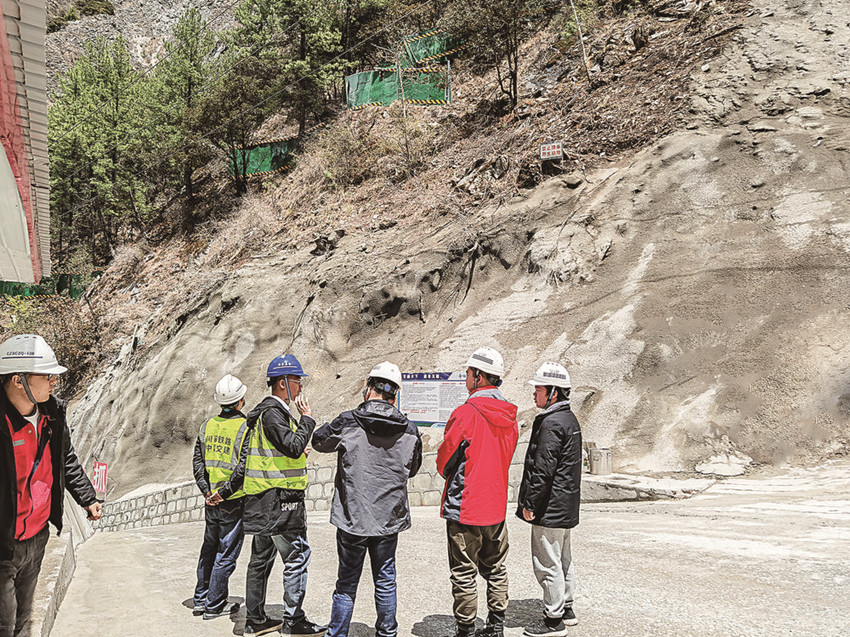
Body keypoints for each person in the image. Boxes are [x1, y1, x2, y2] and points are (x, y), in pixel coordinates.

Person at [0, 334, 102, 637]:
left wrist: (87, 497)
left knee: (23, 617)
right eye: (46, 375)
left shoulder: (52, 413)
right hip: (4, 544)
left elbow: (65, 458)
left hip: (38, 535)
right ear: (18, 380)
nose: (54, 381)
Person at [313, 361, 423, 637]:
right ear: (395, 395)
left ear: (368, 387)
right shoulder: (410, 430)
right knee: (385, 579)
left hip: (353, 517)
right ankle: (387, 633)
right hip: (388, 519)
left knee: (347, 583)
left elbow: (318, 441)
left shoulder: (348, 421)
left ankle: (337, 633)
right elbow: (413, 469)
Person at [241, 354, 326, 637]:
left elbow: (281, 451)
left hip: (264, 499)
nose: (300, 385)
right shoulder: (273, 414)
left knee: (260, 560)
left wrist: (298, 450)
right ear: (282, 383)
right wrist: (307, 420)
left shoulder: (266, 414)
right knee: (297, 557)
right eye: (296, 380)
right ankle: (293, 621)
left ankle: (255, 620)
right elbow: (292, 446)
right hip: (280, 502)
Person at [436, 346, 519, 637]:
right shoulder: (510, 416)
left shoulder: (465, 413)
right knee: (496, 567)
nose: (465, 379)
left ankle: (466, 629)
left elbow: (445, 458)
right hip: (496, 506)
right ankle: (496, 626)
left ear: (479, 377)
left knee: (464, 571)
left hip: (466, 506)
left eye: (468, 373)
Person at [516, 362, 582, 637]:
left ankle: (553, 621)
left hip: (549, 506)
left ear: (553, 392)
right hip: (565, 504)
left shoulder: (552, 423)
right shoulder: (569, 418)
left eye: (539, 389)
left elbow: (543, 468)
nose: (534, 393)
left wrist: (531, 503)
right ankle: (566, 608)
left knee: (547, 562)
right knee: (563, 558)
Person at [191, 374, 250, 620]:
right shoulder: (246, 427)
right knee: (226, 552)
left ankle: (201, 599)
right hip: (232, 500)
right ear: (240, 400)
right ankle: (214, 604)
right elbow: (243, 467)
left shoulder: (207, 426)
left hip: (211, 501)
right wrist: (223, 494)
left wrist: (207, 491)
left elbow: (198, 463)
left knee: (209, 548)